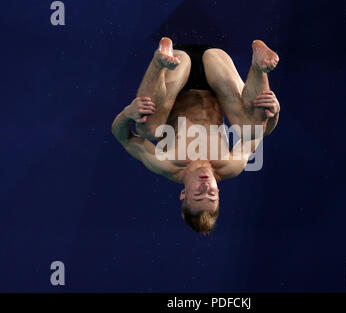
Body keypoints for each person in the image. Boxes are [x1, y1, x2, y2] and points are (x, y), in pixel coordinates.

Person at [111, 37, 280, 234]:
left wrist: (127, 113)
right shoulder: (231, 166)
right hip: (215, 66)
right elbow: (261, 133)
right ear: (219, 193)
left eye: (198, 196)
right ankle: (260, 67)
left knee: (146, 127)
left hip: (177, 68)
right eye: (212, 195)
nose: (205, 188)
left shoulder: (166, 163)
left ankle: (158, 61)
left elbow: (123, 137)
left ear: (183, 194)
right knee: (252, 128)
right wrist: (274, 111)